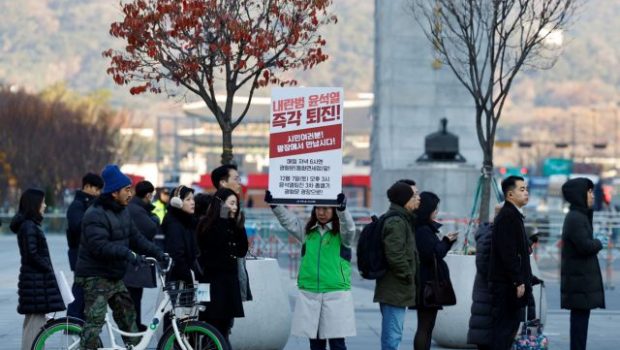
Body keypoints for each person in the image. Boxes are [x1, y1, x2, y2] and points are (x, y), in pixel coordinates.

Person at [75, 164, 167, 350]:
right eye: (127, 189)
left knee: (128, 317)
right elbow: (99, 246)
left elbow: (136, 238)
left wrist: (158, 253)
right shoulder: (95, 214)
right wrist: (128, 254)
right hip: (94, 275)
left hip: (113, 275)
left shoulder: (123, 211)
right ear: (114, 192)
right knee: (95, 322)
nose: (130, 193)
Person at [266, 190, 356, 350]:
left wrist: (343, 211)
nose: (321, 212)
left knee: (337, 343)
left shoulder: (342, 235)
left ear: (334, 210)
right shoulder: (308, 232)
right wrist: (276, 205)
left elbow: (349, 228)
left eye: (326, 208)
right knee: (315, 344)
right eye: (318, 208)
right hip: (310, 293)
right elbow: (289, 222)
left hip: (335, 293)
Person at [12, 188, 65, 350]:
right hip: (35, 283)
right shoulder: (29, 226)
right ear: (34, 204)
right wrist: (47, 267)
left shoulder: (29, 225)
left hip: (33, 282)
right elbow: (32, 255)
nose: (45, 205)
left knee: (33, 325)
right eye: (42, 202)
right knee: (35, 327)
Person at [196, 188, 249, 347]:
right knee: (210, 326)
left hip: (229, 283)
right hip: (212, 283)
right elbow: (213, 244)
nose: (234, 207)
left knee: (225, 327)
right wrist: (224, 219)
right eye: (231, 203)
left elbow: (242, 250)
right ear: (220, 204)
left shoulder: (235, 224)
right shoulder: (207, 224)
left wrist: (237, 225)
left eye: (236, 204)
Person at [374, 180, 421, 350]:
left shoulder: (403, 219)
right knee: (392, 337)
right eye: (414, 195)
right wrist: (408, 274)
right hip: (394, 287)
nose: (418, 198)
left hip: (396, 287)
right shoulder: (397, 222)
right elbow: (395, 254)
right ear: (404, 199)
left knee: (394, 333)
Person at [488, 176, 532, 350]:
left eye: (526, 189)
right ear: (510, 195)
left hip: (510, 282)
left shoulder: (513, 215)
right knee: (504, 329)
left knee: (508, 328)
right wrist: (518, 280)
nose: (526, 192)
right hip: (507, 284)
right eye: (522, 189)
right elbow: (508, 253)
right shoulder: (508, 216)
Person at [561, 178, 605, 350]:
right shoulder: (575, 218)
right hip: (579, 279)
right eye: (589, 192)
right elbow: (585, 246)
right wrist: (599, 242)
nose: (592, 196)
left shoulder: (580, 215)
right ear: (580, 195)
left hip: (580, 278)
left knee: (580, 322)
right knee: (579, 324)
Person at [412, 192, 457, 350]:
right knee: (425, 326)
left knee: (426, 326)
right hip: (427, 285)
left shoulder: (422, 228)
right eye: (434, 208)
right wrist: (446, 241)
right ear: (427, 210)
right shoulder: (423, 230)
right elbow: (433, 254)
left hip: (426, 282)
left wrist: (446, 242)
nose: (436, 212)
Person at [211, 164, 253, 302]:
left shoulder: (235, 212)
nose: (239, 183)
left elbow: (241, 248)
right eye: (236, 179)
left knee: (228, 322)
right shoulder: (212, 210)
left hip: (233, 276)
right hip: (219, 280)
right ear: (223, 183)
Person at [66, 173, 104, 320]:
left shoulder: (92, 205)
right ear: (87, 186)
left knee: (86, 291)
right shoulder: (77, 206)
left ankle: (79, 321)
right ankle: (72, 320)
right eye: (96, 189)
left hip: (89, 255)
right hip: (79, 254)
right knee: (79, 290)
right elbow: (77, 227)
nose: (98, 193)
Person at [125, 180, 160, 331]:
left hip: (134, 260)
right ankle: (134, 327)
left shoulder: (135, 207)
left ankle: (136, 325)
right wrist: (154, 218)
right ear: (147, 195)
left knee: (135, 296)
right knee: (134, 296)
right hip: (134, 262)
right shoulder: (137, 210)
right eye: (151, 195)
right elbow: (151, 229)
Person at [467, 204, 503, 350]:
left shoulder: (492, 233)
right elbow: (484, 266)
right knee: (488, 340)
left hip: (488, 298)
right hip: (489, 297)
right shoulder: (491, 235)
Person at [163, 185, 199, 285]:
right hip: (178, 280)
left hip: (186, 278)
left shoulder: (188, 221)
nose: (192, 202)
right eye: (188, 199)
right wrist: (190, 277)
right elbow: (177, 256)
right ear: (177, 203)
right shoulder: (174, 224)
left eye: (193, 199)